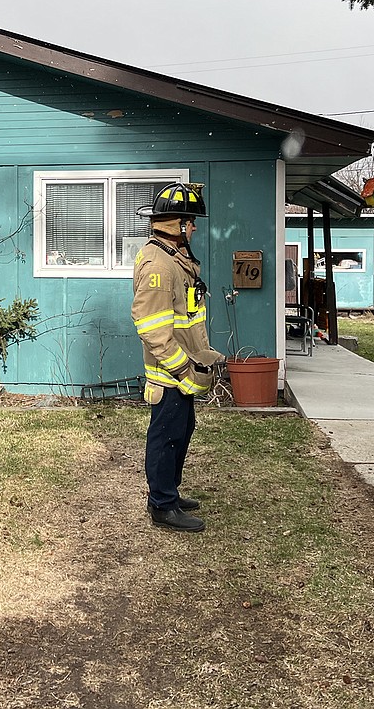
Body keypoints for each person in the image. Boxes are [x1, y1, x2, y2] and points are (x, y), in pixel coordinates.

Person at [131, 182, 225, 532]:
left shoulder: (173, 258)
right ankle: (162, 504)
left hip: (183, 366)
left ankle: (169, 491)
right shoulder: (160, 265)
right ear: (177, 225)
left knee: (183, 429)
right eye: (191, 221)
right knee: (166, 434)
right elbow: (152, 326)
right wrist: (182, 367)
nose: (195, 227)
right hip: (170, 370)